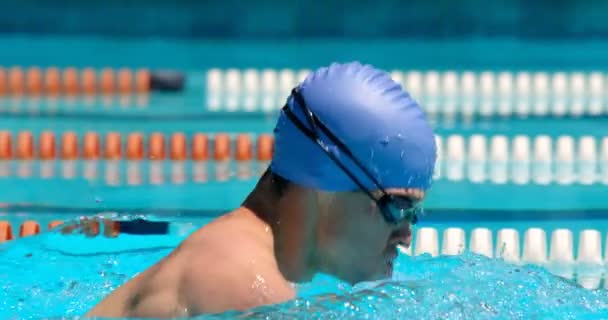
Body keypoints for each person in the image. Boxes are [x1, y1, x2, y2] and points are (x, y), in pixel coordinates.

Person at [84, 61, 437, 318]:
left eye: (414, 214)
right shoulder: (244, 282)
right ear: (326, 187)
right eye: (397, 207)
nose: (406, 234)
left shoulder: (256, 266)